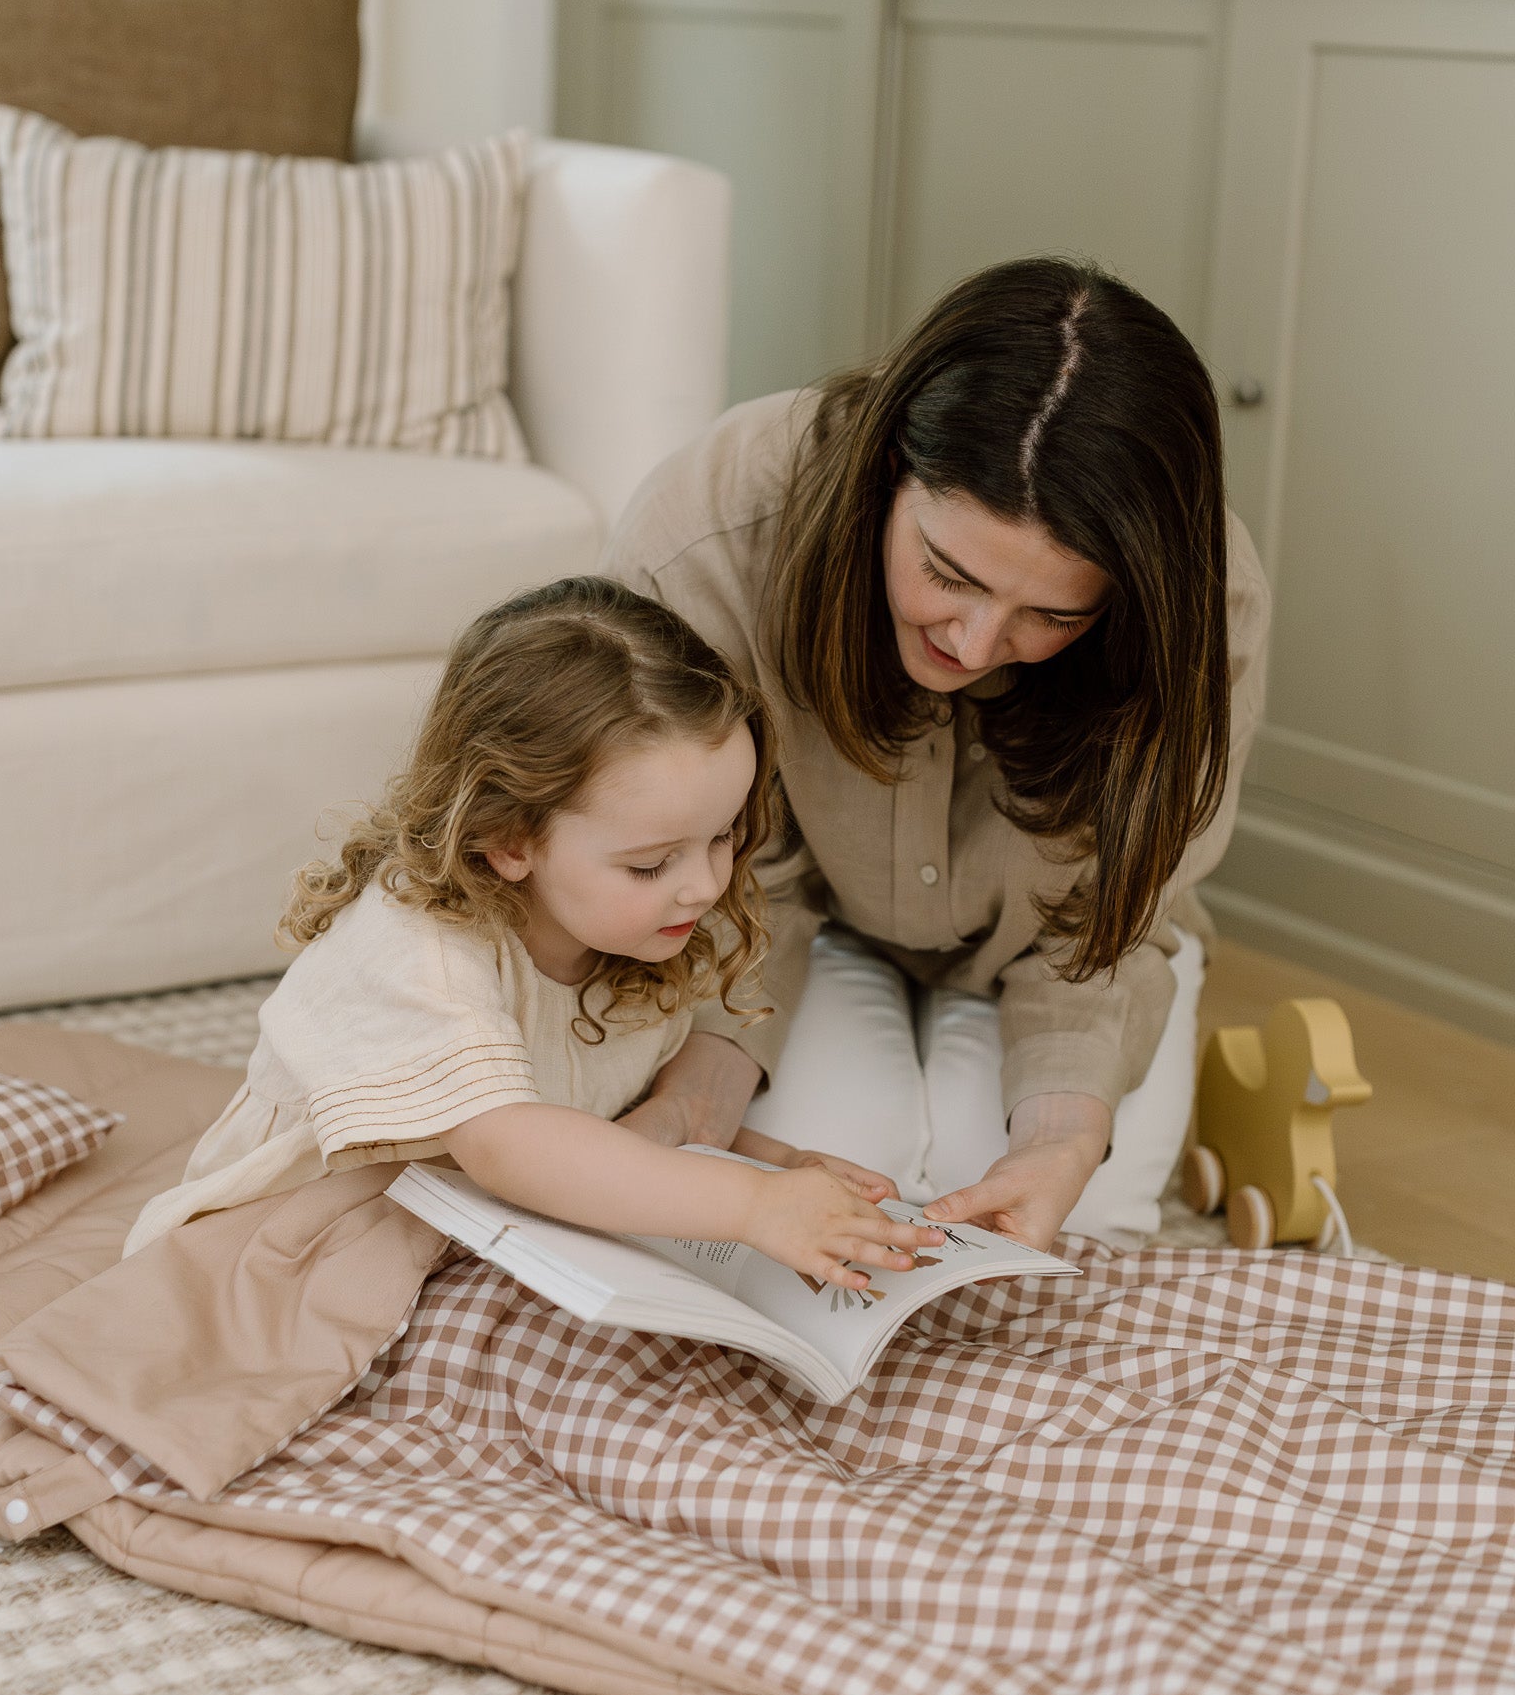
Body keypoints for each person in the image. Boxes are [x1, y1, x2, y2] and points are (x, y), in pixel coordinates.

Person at [603, 260, 1272, 1254]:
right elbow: (706, 870)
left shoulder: (1199, 610)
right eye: (945, 574)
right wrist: (696, 1093)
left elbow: (1110, 915)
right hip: (774, 922)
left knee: (1068, 1218)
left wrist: (1062, 1132)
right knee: (772, 1200)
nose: (970, 643)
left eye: (1050, 615)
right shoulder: (709, 532)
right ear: (885, 475)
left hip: (1059, 944)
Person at [123, 578, 941, 1293]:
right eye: (653, 863)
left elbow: (598, 1116)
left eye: (724, 836)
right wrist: (753, 1204)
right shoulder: (420, 950)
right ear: (510, 838)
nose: (706, 883)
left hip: (478, 1235)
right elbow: (512, 1146)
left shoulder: (633, 931)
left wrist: (781, 1169)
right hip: (289, 1248)